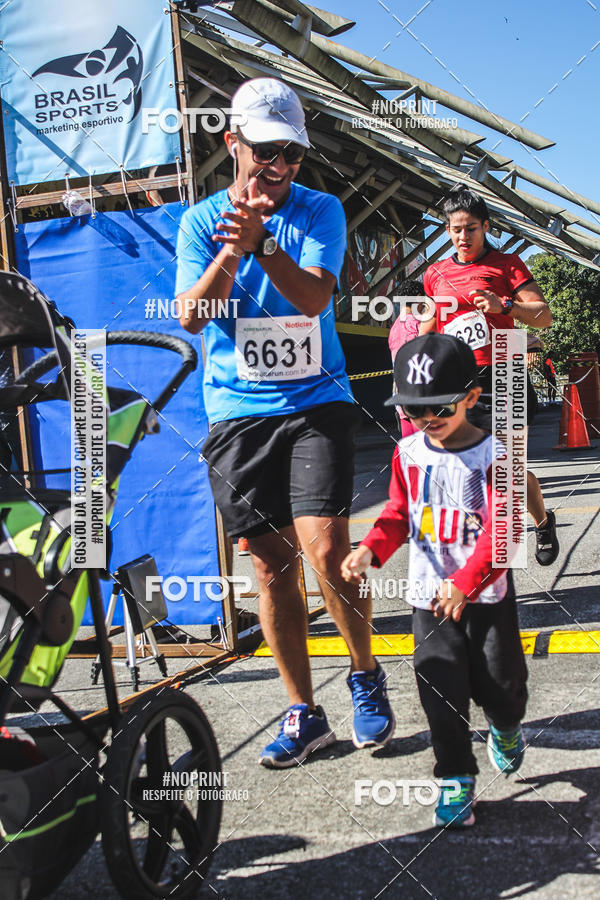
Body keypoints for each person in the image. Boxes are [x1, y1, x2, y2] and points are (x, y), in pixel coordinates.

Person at [175, 78, 394, 767]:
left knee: (328, 551)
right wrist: (231, 249)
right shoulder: (199, 220)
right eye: (267, 150)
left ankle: (364, 674)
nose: (280, 166)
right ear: (231, 142)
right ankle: (304, 711)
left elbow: (313, 300)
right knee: (271, 571)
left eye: (292, 154)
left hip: (314, 403)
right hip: (237, 412)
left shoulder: (320, 209)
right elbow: (189, 316)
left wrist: (267, 244)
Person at [341, 333, 528, 828]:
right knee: (439, 691)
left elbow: (504, 530)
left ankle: (506, 726)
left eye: (440, 407)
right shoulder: (408, 452)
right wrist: (369, 549)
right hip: (428, 599)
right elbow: (399, 513)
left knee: (503, 686)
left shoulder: (497, 455)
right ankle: (454, 778)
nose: (429, 420)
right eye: (415, 409)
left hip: (485, 597)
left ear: (470, 396)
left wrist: (466, 580)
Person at [419, 186, 559, 566]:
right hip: (458, 379)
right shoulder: (436, 274)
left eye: (471, 229)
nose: (463, 237)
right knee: (466, 468)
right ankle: (488, 557)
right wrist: (416, 368)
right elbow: (430, 326)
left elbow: (543, 316)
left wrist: (506, 305)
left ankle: (542, 523)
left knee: (509, 470)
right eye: (455, 229)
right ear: (447, 230)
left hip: (506, 367)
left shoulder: (508, 264)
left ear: (486, 226)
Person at [388, 279, 427, 437]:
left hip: (400, 397)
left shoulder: (394, 327)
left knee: (410, 454)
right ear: (419, 298)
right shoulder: (418, 324)